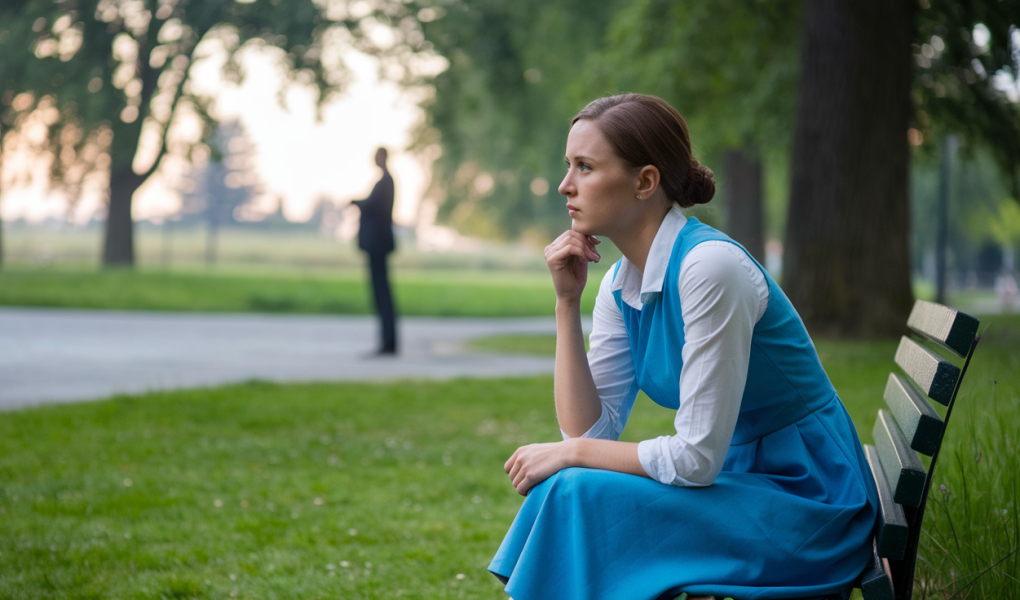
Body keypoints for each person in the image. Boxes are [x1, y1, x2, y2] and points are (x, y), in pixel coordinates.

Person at [489, 94, 878, 600]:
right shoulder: (620, 284)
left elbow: (694, 459)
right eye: (569, 166)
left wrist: (572, 453)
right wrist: (567, 304)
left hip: (809, 502)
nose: (565, 185)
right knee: (568, 486)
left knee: (574, 486)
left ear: (645, 182)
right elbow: (587, 428)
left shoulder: (710, 268)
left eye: (584, 167)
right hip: (743, 485)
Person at [352, 147, 397, 355]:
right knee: (381, 294)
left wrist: (357, 203)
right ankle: (387, 341)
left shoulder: (385, 182)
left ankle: (388, 342)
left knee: (382, 294)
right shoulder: (385, 182)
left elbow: (374, 207)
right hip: (379, 245)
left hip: (378, 245)